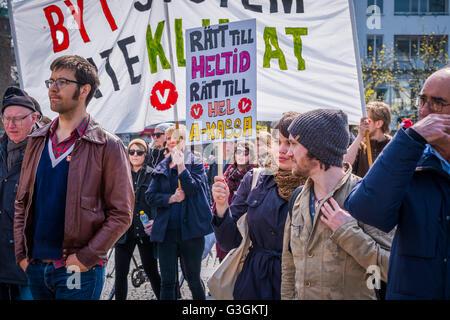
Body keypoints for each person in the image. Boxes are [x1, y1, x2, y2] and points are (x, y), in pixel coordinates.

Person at [14, 55, 134, 300]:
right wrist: (22, 255)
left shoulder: (107, 145)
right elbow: (21, 202)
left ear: (84, 90)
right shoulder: (36, 141)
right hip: (36, 266)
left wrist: (86, 258)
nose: (52, 88)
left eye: (62, 81)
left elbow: (122, 213)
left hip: (77, 270)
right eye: (51, 81)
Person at [345, 67, 450, 299]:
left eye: (437, 103)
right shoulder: (410, 157)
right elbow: (366, 210)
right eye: (422, 100)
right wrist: (409, 140)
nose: (423, 111)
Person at [281, 109, 393, 300]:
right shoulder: (298, 198)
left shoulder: (366, 198)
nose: (288, 153)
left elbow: (392, 269)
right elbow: (289, 265)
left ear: (316, 150)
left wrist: (348, 232)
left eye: (293, 144)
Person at [211, 111, 305, 300]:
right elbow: (230, 242)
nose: (282, 150)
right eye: (279, 142)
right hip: (254, 281)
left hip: (298, 283)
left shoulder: (315, 184)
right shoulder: (255, 179)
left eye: (290, 143)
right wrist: (221, 207)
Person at [146, 124, 213, 300]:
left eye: (176, 138)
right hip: (167, 232)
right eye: (168, 138)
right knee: (167, 282)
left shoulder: (196, 162)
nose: (171, 141)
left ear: (184, 141)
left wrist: (182, 165)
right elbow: (150, 196)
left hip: (190, 232)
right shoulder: (161, 166)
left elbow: (191, 189)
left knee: (192, 279)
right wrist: (170, 198)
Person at [0, 87, 39, 300]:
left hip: (30, 263)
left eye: (18, 119)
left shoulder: (47, 152)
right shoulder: (1, 150)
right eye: (6, 118)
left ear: (33, 118)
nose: (10, 125)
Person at [114, 139, 161, 300]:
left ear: (146, 154)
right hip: (124, 231)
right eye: (131, 152)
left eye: (139, 152)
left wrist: (156, 220)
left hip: (145, 230)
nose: (135, 155)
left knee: (151, 270)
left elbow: (159, 202)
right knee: (120, 273)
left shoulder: (153, 174)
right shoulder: (120, 172)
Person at [212, 140, 258, 262]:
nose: (241, 155)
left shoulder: (256, 175)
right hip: (227, 224)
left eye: (245, 152)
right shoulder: (228, 173)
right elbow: (216, 205)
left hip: (247, 231)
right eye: (238, 151)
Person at [344, 101, 392, 178]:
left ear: (378, 124)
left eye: (367, 121)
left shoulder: (392, 146)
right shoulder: (360, 146)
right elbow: (344, 165)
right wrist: (360, 137)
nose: (362, 124)